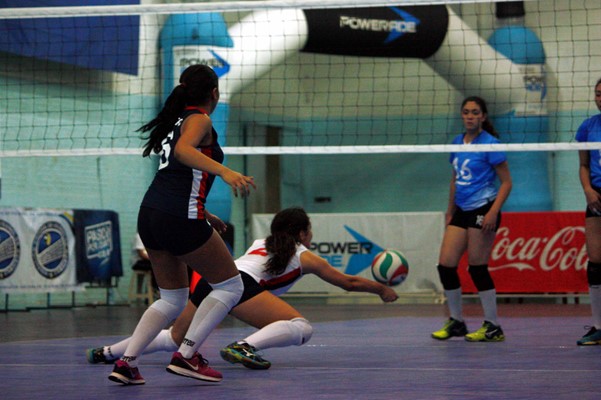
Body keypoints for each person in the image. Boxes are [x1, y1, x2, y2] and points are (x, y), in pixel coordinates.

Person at [87, 207, 399, 370]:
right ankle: (244, 347)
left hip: (214, 279)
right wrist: (381, 289)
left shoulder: (260, 242)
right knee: (301, 327)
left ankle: (107, 353)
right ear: (303, 233)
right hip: (239, 286)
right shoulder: (303, 255)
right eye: (310, 230)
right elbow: (348, 282)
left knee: (175, 338)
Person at [107, 64, 256, 385]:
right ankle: (187, 356)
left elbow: (178, 174)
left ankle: (127, 363)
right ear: (214, 92)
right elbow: (183, 152)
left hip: (152, 213)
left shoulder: (176, 120)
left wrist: (205, 213)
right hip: (177, 215)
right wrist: (225, 171)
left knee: (172, 298)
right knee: (231, 286)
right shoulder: (199, 119)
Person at [431, 96, 512, 342]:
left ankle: (493, 326)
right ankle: (456, 321)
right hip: (461, 210)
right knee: (445, 266)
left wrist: (493, 212)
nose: (470, 116)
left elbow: (507, 183)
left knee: (477, 268)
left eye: (475, 112)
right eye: (466, 112)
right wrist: (449, 211)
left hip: (483, 208)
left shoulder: (491, 144)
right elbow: (455, 179)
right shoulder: (457, 142)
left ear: (483, 117)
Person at [575, 78, 601, 346]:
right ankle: (599, 326)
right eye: (598, 94)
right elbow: (583, 164)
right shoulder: (588, 127)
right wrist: (587, 190)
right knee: (595, 263)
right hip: (597, 195)